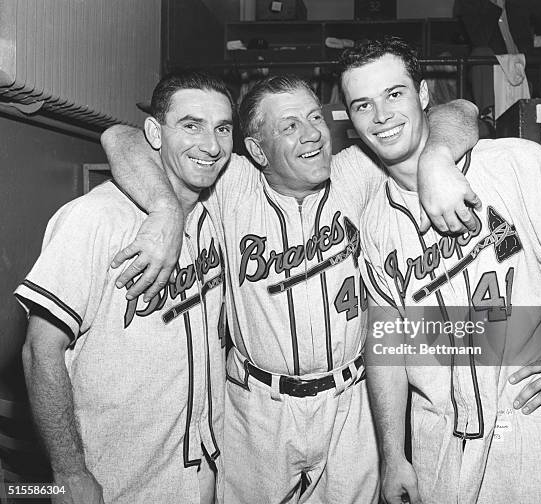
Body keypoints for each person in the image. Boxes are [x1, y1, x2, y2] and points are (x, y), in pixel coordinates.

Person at [100, 70, 480, 501]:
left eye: (314, 117)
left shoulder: (356, 171)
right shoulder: (231, 183)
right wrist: (166, 208)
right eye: (290, 126)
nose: (312, 135)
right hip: (258, 410)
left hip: (351, 406)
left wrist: (435, 159)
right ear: (258, 151)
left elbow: (461, 112)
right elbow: (120, 138)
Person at [338, 37, 541, 503]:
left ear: (424, 95)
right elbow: (387, 346)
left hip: (527, 433)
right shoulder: (375, 224)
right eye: (363, 104)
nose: (381, 115)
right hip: (437, 445)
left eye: (395, 94)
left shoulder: (508, 164)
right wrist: (392, 456)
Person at [14, 71, 231, 504]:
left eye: (222, 128)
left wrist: (169, 207)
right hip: (118, 479)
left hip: (203, 470)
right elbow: (40, 350)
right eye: (191, 125)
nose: (211, 144)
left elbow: (118, 136)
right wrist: (68, 472)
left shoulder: (216, 210)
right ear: (154, 132)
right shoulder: (93, 218)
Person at [455, 0, 541, 114]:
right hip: (490, 73)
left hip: (522, 68)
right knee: (481, 53)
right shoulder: (469, 2)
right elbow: (479, 38)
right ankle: (488, 116)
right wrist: (494, 4)